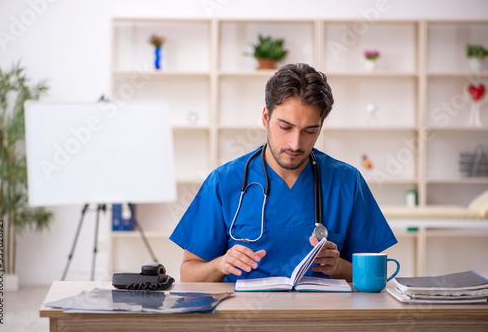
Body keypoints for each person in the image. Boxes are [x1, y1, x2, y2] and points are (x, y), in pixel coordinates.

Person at [170, 63, 397, 283]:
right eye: (285, 127)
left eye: (309, 131)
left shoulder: (347, 182)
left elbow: (375, 275)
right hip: (245, 319)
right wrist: (220, 264)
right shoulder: (223, 182)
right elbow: (188, 274)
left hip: (324, 319)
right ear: (266, 117)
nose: (295, 144)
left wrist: (339, 267)